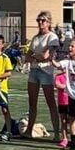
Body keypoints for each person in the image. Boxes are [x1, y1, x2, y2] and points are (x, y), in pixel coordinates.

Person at [24, 11, 61, 141]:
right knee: (32, 102)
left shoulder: (52, 37)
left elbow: (46, 56)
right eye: (38, 20)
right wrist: (35, 57)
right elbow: (27, 56)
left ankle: (57, 133)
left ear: (49, 22)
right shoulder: (35, 38)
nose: (40, 23)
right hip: (34, 70)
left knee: (50, 102)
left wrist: (34, 56)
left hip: (46, 71)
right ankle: (29, 130)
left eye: (43, 20)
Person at [54, 71, 70, 147]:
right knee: (63, 121)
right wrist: (68, 86)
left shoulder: (72, 75)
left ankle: (74, 138)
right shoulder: (58, 76)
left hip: (71, 101)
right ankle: (64, 138)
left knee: (72, 121)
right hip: (62, 102)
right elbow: (57, 85)